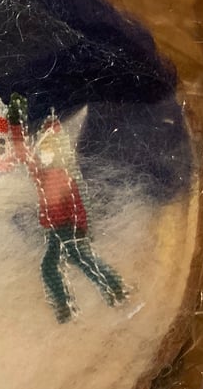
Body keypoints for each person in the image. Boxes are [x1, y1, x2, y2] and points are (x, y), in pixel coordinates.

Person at [9, 95, 127, 323]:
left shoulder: (62, 175)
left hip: (68, 229)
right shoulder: (42, 173)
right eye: (43, 148)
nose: (44, 153)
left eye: (48, 149)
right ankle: (69, 307)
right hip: (56, 231)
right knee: (60, 266)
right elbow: (24, 153)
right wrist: (15, 121)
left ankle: (115, 291)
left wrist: (80, 228)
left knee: (80, 262)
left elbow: (76, 204)